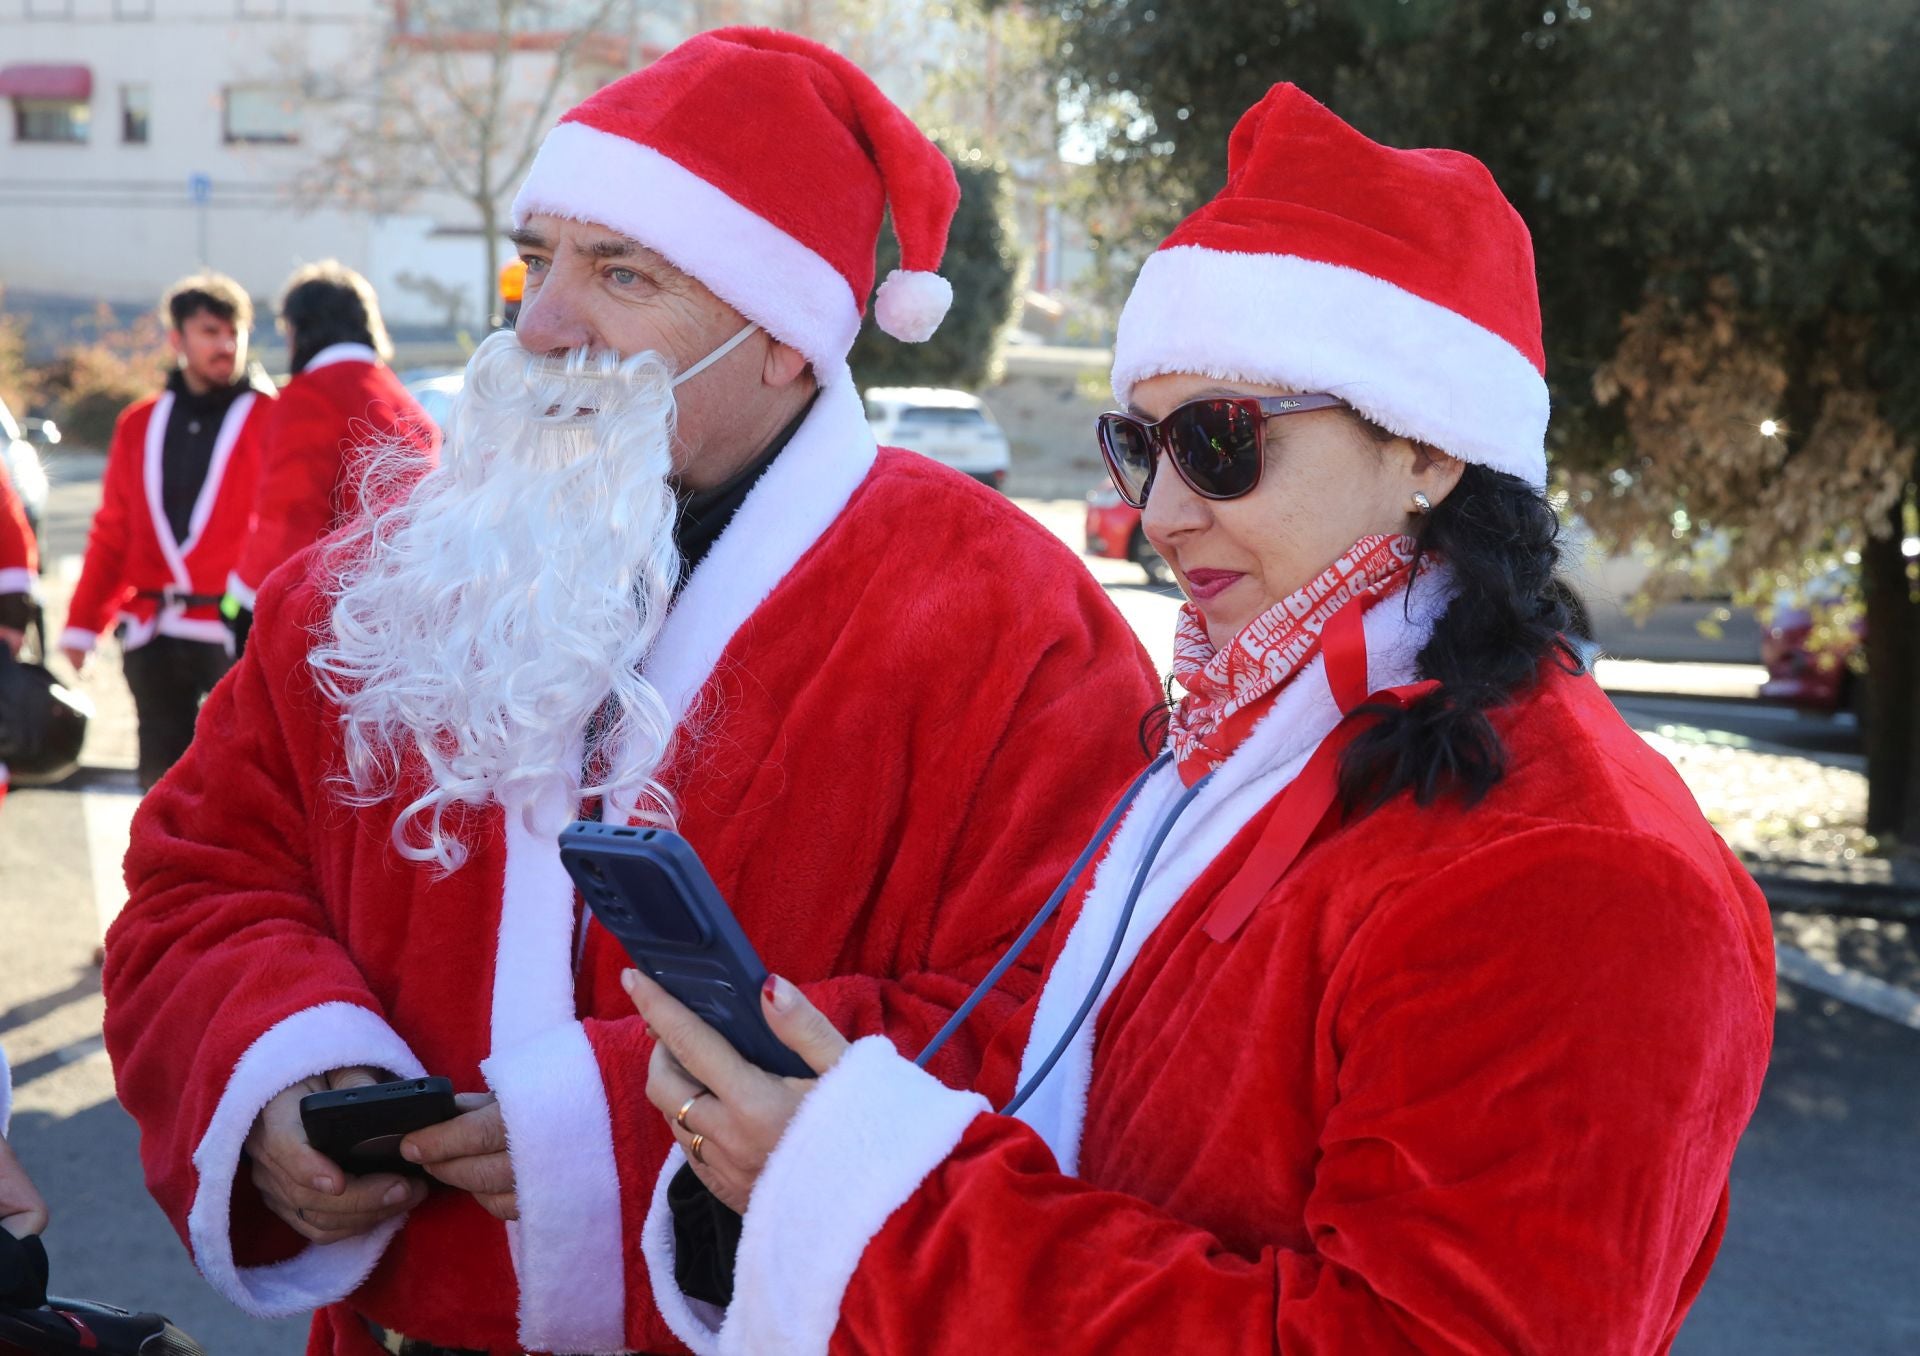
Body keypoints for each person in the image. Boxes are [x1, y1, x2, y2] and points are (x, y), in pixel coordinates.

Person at [626, 84, 1778, 1356]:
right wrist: (800, 1087)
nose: (1163, 511)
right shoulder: (1266, 741)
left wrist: (868, 1202)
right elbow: (1080, 1063)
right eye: (1142, 446)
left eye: (1222, 441)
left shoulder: (1576, 868)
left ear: (1431, 451)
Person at [100, 28, 1160, 1356]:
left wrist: (604, 1132)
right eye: (535, 261)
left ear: (786, 340)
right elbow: (199, 875)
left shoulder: (1009, 621)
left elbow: (1062, 1019)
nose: (540, 325)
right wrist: (281, 1074)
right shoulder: (368, 579)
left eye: (622, 274)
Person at [60, 272, 273, 790]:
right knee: (160, 785)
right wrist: (83, 624)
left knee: (243, 782)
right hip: (152, 631)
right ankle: (163, 874)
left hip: (233, 633)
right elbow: (112, 531)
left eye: (234, 333)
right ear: (177, 339)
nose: (226, 345)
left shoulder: (272, 417)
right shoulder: (138, 423)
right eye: (210, 332)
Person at [223, 261, 436, 649]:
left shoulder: (308, 398)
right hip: (411, 604)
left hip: (336, 617)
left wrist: (243, 599)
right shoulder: (398, 397)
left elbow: (289, 515)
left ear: (299, 328)